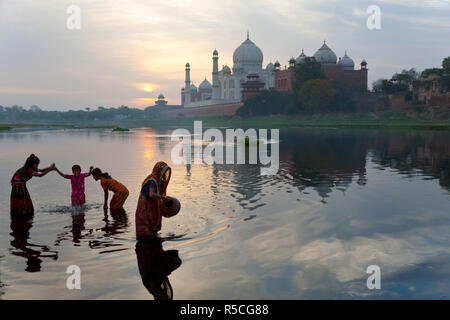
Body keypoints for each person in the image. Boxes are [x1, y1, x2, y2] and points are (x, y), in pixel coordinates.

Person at [135, 161, 171, 238]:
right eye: (163, 172)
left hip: (150, 203)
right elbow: (151, 194)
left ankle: (151, 233)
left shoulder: (156, 179)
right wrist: (163, 197)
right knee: (146, 221)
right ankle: (146, 235)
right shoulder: (152, 181)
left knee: (151, 221)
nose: (164, 174)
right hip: (146, 204)